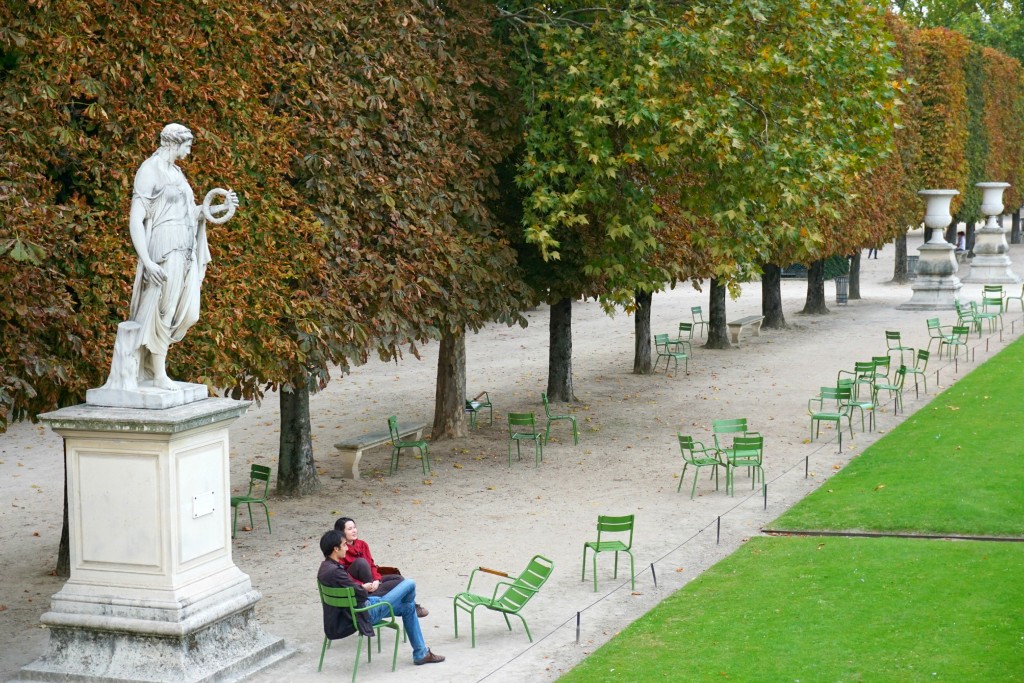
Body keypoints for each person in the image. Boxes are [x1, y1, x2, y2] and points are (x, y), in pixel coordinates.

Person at [128, 123, 238, 389]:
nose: (189, 153)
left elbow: (191, 212)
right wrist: (147, 260)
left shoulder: (177, 173)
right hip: (164, 246)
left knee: (188, 313)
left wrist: (222, 206)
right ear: (174, 143)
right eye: (187, 146)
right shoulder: (149, 169)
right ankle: (158, 374)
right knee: (163, 309)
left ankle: (155, 371)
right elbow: (136, 217)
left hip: (185, 246)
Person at [318, 530, 444, 666]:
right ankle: (419, 648)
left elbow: (351, 590)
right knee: (409, 583)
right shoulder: (336, 572)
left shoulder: (324, 568)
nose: (347, 548)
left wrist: (361, 588)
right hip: (367, 612)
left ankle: (421, 654)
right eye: (344, 545)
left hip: (357, 610)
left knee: (408, 607)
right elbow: (361, 594)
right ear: (335, 549)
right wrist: (364, 588)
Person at [334, 516, 428, 616]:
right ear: (341, 533)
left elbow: (372, 565)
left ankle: (407, 604)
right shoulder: (340, 550)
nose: (354, 531)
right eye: (350, 529)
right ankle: (408, 606)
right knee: (361, 562)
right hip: (358, 587)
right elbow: (344, 575)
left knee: (399, 579)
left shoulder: (362, 544)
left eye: (354, 527)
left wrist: (376, 580)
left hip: (370, 582)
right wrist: (362, 586)